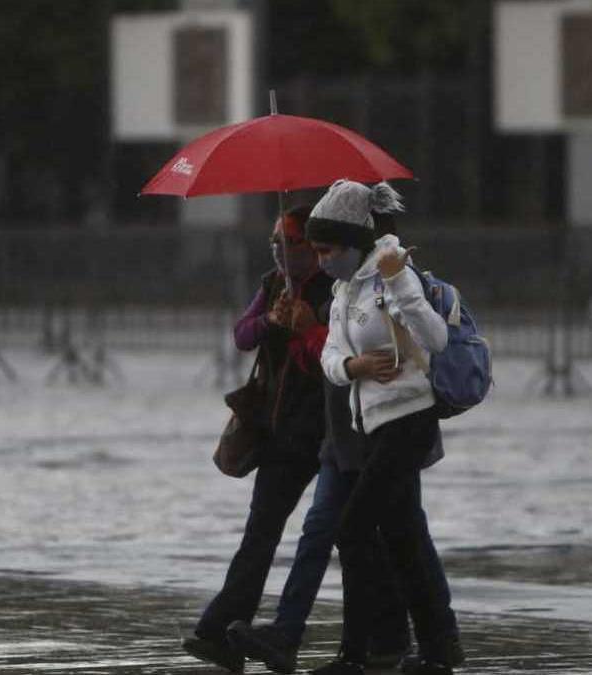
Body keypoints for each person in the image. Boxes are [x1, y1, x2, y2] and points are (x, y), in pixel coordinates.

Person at [224, 210, 432, 674]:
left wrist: (317, 338)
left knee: (399, 534)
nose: (289, 252)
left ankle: (427, 641)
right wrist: (288, 329)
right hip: (341, 431)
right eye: (277, 241)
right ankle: (317, 640)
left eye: (316, 248)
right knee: (331, 529)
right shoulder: (323, 290)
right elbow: (332, 358)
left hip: (386, 428)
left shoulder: (379, 283)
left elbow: (419, 343)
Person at [306, 179, 463, 675]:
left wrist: (399, 284)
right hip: (371, 426)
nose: (320, 260)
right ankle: (437, 650)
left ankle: (358, 653)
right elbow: (329, 355)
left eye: (327, 249)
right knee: (401, 538)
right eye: (315, 250)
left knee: (351, 528)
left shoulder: (394, 274)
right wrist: (353, 368)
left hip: (408, 419)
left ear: (353, 243)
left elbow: (436, 339)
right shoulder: (343, 290)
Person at [182, 205, 334, 673]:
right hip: (279, 431)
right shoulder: (272, 285)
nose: (279, 252)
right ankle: (221, 627)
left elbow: (337, 353)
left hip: (329, 431)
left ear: (311, 246)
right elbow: (243, 334)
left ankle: (374, 638)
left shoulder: (337, 286)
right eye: (274, 243)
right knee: (259, 534)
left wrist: (306, 327)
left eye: (287, 242)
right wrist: (272, 320)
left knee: (341, 535)